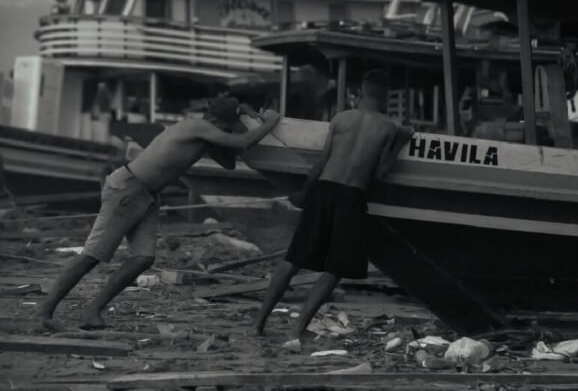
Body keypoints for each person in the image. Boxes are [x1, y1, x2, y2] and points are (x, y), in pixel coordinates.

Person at [35, 97, 280, 331]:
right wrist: (269, 122)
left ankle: (92, 312)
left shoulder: (206, 135)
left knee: (142, 258)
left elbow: (229, 161)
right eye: (228, 126)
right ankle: (43, 313)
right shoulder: (197, 126)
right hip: (129, 188)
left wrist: (240, 122)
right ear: (218, 123)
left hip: (147, 194)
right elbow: (242, 143)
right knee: (92, 255)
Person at [251, 69, 413, 352]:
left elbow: (322, 162)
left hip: (324, 188)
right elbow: (380, 174)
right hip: (352, 195)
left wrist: (303, 193)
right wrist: (401, 141)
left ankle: (258, 324)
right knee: (335, 268)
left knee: (293, 259)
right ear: (384, 96)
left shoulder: (341, 119)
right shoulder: (388, 128)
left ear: (360, 93)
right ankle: (297, 328)